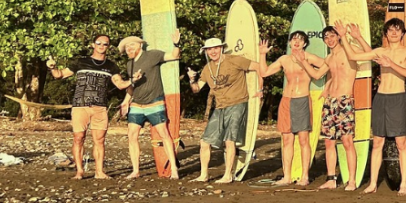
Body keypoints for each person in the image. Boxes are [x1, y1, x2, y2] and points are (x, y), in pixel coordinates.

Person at [352, 18, 406, 195]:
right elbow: (354, 56)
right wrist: (356, 37)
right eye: (390, 30)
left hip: (397, 97)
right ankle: (372, 183)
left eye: (397, 30)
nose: (394, 33)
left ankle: (403, 185)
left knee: (401, 142)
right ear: (386, 33)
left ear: (403, 33)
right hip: (381, 98)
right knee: (377, 142)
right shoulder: (381, 51)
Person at [47, 33, 137, 179]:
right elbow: (59, 75)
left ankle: (99, 172)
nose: (102, 46)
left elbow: (120, 84)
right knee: (78, 138)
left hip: (100, 107)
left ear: (108, 47)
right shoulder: (80, 62)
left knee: (100, 140)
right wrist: (52, 67)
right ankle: (79, 171)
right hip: (80, 106)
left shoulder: (111, 66)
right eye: (99, 43)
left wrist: (132, 80)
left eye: (105, 44)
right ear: (93, 45)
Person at [187, 36, 266, 183]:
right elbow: (197, 89)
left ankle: (227, 175)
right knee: (205, 142)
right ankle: (204, 175)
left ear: (221, 48)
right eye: (210, 49)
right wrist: (192, 79)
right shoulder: (207, 68)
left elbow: (260, 68)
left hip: (237, 104)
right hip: (220, 107)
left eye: (216, 48)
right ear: (206, 52)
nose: (213, 52)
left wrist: (260, 89)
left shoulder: (235, 60)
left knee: (229, 141)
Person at [258, 31, 329, 186]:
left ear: (304, 43)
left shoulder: (309, 57)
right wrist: (262, 54)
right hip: (286, 100)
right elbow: (264, 72)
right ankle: (287, 176)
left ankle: (305, 176)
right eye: (294, 39)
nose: (296, 42)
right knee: (287, 139)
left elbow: (328, 67)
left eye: (300, 39)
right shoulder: (284, 59)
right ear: (290, 43)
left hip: (302, 99)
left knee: (304, 139)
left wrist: (328, 86)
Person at [117, 29, 182, 180]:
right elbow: (131, 86)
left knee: (164, 134)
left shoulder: (153, 55)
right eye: (126, 47)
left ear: (140, 45)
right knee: (131, 136)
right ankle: (135, 170)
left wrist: (176, 43)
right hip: (137, 105)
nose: (129, 49)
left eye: (131, 45)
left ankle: (174, 169)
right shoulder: (129, 64)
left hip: (155, 102)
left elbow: (174, 56)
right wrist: (126, 102)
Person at [315, 22, 373, 191]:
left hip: (344, 101)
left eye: (332, 36)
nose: (329, 39)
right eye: (326, 37)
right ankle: (331, 178)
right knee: (329, 142)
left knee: (347, 141)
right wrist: (302, 60)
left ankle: (352, 181)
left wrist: (357, 37)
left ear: (339, 36)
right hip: (330, 102)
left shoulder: (349, 53)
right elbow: (318, 74)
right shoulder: (330, 57)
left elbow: (370, 54)